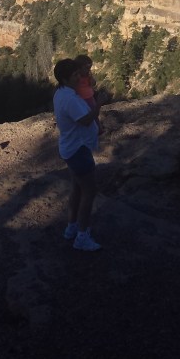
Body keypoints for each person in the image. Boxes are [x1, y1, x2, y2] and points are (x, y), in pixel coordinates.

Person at [53, 57, 104, 252]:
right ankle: (82, 236)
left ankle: (71, 227)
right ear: (65, 79)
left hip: (70, 148)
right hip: (78, 150)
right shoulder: (71, 99)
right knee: (89, 192)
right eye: (74, 75)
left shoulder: (61, 93)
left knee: (77, 188)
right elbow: (85, 120)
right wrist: (98, 104)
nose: (78, 76)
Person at [74, 53, 103, 133]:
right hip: (81, 100)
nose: (89, 70)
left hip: (90, 97)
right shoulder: (76, 77)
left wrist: (90, 78)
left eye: (89, 68)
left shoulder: (88, 76)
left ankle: (99, 129)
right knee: (87, 115)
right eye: (87, 68)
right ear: (79, 68)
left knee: (95, 114)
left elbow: (93, 83)